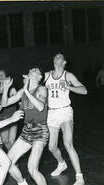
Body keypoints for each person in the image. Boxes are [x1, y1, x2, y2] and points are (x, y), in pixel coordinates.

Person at [44, 54, 87, 185]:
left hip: (65, 111)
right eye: (55, 57)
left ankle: (79, 177)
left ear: (64, 62)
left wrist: (69, 87)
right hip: (51, 113)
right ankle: (62, 163)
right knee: (51, 147)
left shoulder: (68, 76)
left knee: (68, 144)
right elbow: (32, 83)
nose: (57, 57)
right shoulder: (46, 75)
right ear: (53, 61)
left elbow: (84, 90)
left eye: (60, 57)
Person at [2, 67, 49, 185]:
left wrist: (27, 91)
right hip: (26, 130)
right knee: (7, 162)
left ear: (39, 77)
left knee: (32, 169)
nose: (32, 70)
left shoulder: (41, 89)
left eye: (36, 70)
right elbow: (4, 103)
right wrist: (6, 88)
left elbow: (40, 107)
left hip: (39, 130)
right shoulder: (22, 92)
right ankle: (22, 183)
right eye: (31, 70)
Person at [0, 70, 18, 150]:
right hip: (1, 119)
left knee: (11, 141)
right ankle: (13, 159)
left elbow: (19, 101)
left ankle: (15, 158)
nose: (1, 75)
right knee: (5, 141)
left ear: (6, 78)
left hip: (12, 117)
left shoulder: (12, 89)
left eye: (3, 74)